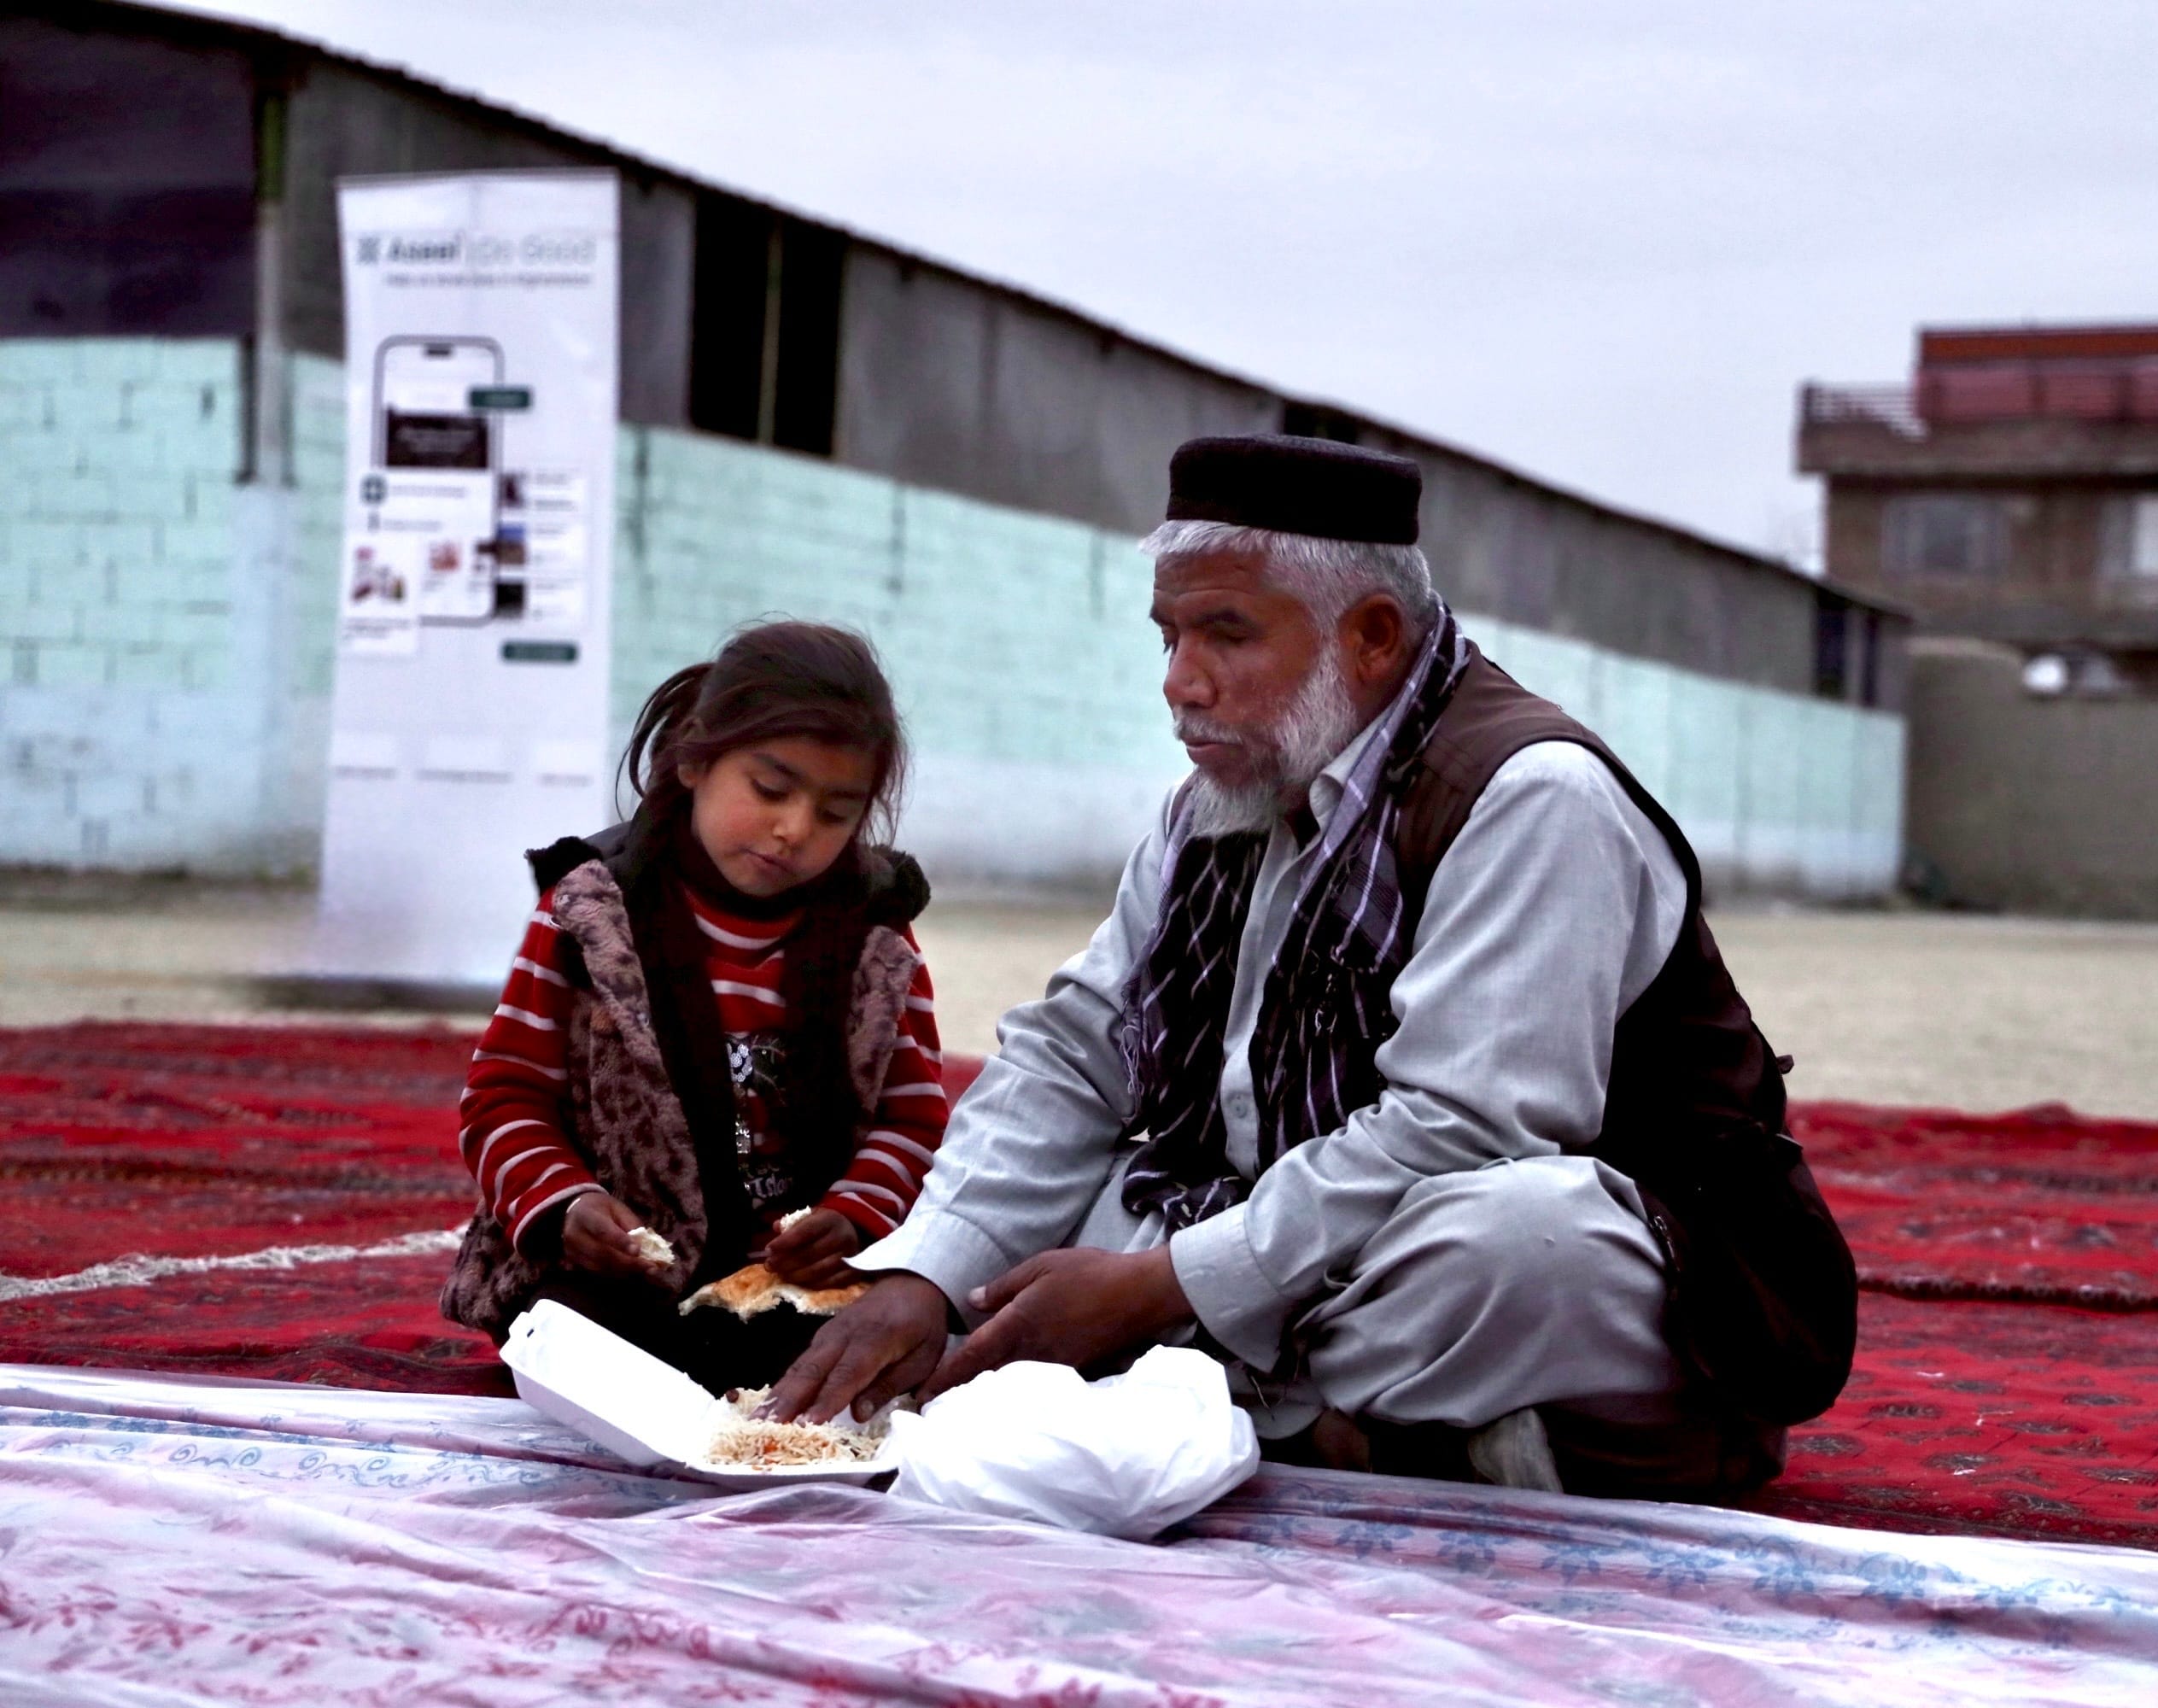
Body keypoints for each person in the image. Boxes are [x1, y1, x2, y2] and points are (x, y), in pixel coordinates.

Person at [765, 437, 1857, 1497]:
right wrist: (928, 1273)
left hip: (1575, 1257)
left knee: (1514, 1242)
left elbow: (1465, 1130)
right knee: (1049, 1225)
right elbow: (1075, 1052)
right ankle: (1345, 1421)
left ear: (1373, 636)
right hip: (1297, 1246)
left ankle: (1225, 1390)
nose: (1181, 685)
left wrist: (1155, 1290)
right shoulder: (1212, 810)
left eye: (1225, 635)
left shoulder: (1531, 794)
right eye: (1169, 638)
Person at [441, 620, 949, 1395]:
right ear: (694, 759)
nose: (794, 829)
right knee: (573, 1340)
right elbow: (504, 1096)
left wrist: (854, 1217)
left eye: (836, 813)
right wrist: (565, 1204)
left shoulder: (877, 937)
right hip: (617, 1281)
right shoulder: (590, 913)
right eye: (771, 790)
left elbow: (912, 1122)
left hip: (795, 1286)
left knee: (891, 1346)